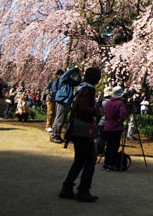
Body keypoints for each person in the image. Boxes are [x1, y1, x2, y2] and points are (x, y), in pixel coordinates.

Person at [59, 67, 102, 203]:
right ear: (96, 78)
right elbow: (83, 108)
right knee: (90, 159)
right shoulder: (87, 90)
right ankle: (83, 190)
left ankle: (67, 187)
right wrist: (97, 111)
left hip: (77, 128)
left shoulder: (81, 88)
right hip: (83, 129)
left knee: (79, 160)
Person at [51, 66, 81, 143]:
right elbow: (66, 74)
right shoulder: (63, 79)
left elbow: (78, 82)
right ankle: (54, 135)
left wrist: (78, 73)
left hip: (67, 100)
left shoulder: (70, 81)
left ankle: (57, 135)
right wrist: (73, 69)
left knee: (63, 119)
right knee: (59, 118)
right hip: (62, 99)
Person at [103, 86, 127, 171]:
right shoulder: (120, 103)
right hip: (116, 127)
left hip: (107, 126)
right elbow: (123, 114)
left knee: (108, 145)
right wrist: (120, 120)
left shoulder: (108, 102)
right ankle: (111, 164)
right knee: (115, 146)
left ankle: (106, 163)